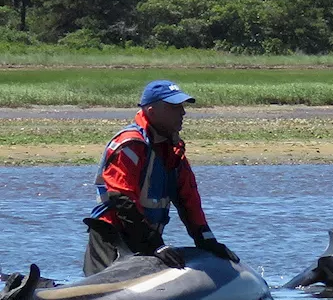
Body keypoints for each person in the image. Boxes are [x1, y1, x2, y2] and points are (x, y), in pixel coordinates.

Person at [83, 79, 238, 275]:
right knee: (103, 298)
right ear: (151, 110)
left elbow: (189, 201)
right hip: (112, 238)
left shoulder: (172, 151)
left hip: (146, 238)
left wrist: (207, 240)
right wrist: (155, 245)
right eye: (173, 107)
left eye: (181, 106)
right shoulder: (130, 145)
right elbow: (121, 199)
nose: (182, 113)